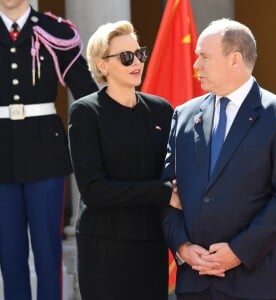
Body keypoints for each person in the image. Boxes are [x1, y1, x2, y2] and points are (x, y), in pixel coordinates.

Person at [162, 18, 276, 300]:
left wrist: (238, 251)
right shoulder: (184, 115)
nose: (195, 65)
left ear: (235, 60)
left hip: (256, 282)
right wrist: (182, 246)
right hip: (195, 282)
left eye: (204, 57)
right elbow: (166, 191)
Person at [68, 20, 180, 300]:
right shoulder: (86, 112)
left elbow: (172, 171)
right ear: (102, 65)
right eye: (126, 57)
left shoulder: (160, 110)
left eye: (140, 54)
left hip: (151, 242)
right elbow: (94, 190)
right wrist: (161, 193)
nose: (137, 63)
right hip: (104, 244)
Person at [0, 1, 98, 299]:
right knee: (9, 253)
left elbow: (85, 90)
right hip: (1, 153)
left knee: (47, 251)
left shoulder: (53, 31)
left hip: (45, 154)